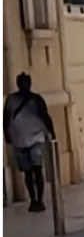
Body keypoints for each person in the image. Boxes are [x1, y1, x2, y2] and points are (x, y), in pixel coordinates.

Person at [3, 72, 54, 211]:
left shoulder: (36, 99)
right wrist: (7, 136)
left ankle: (39, 200)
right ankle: (33, 199)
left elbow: (45, 116)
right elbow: (5, 119)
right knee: (28, 172)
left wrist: (51, 134)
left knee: (36, 170)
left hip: (35, 138)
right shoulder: (12, 100)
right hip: (19, 140)